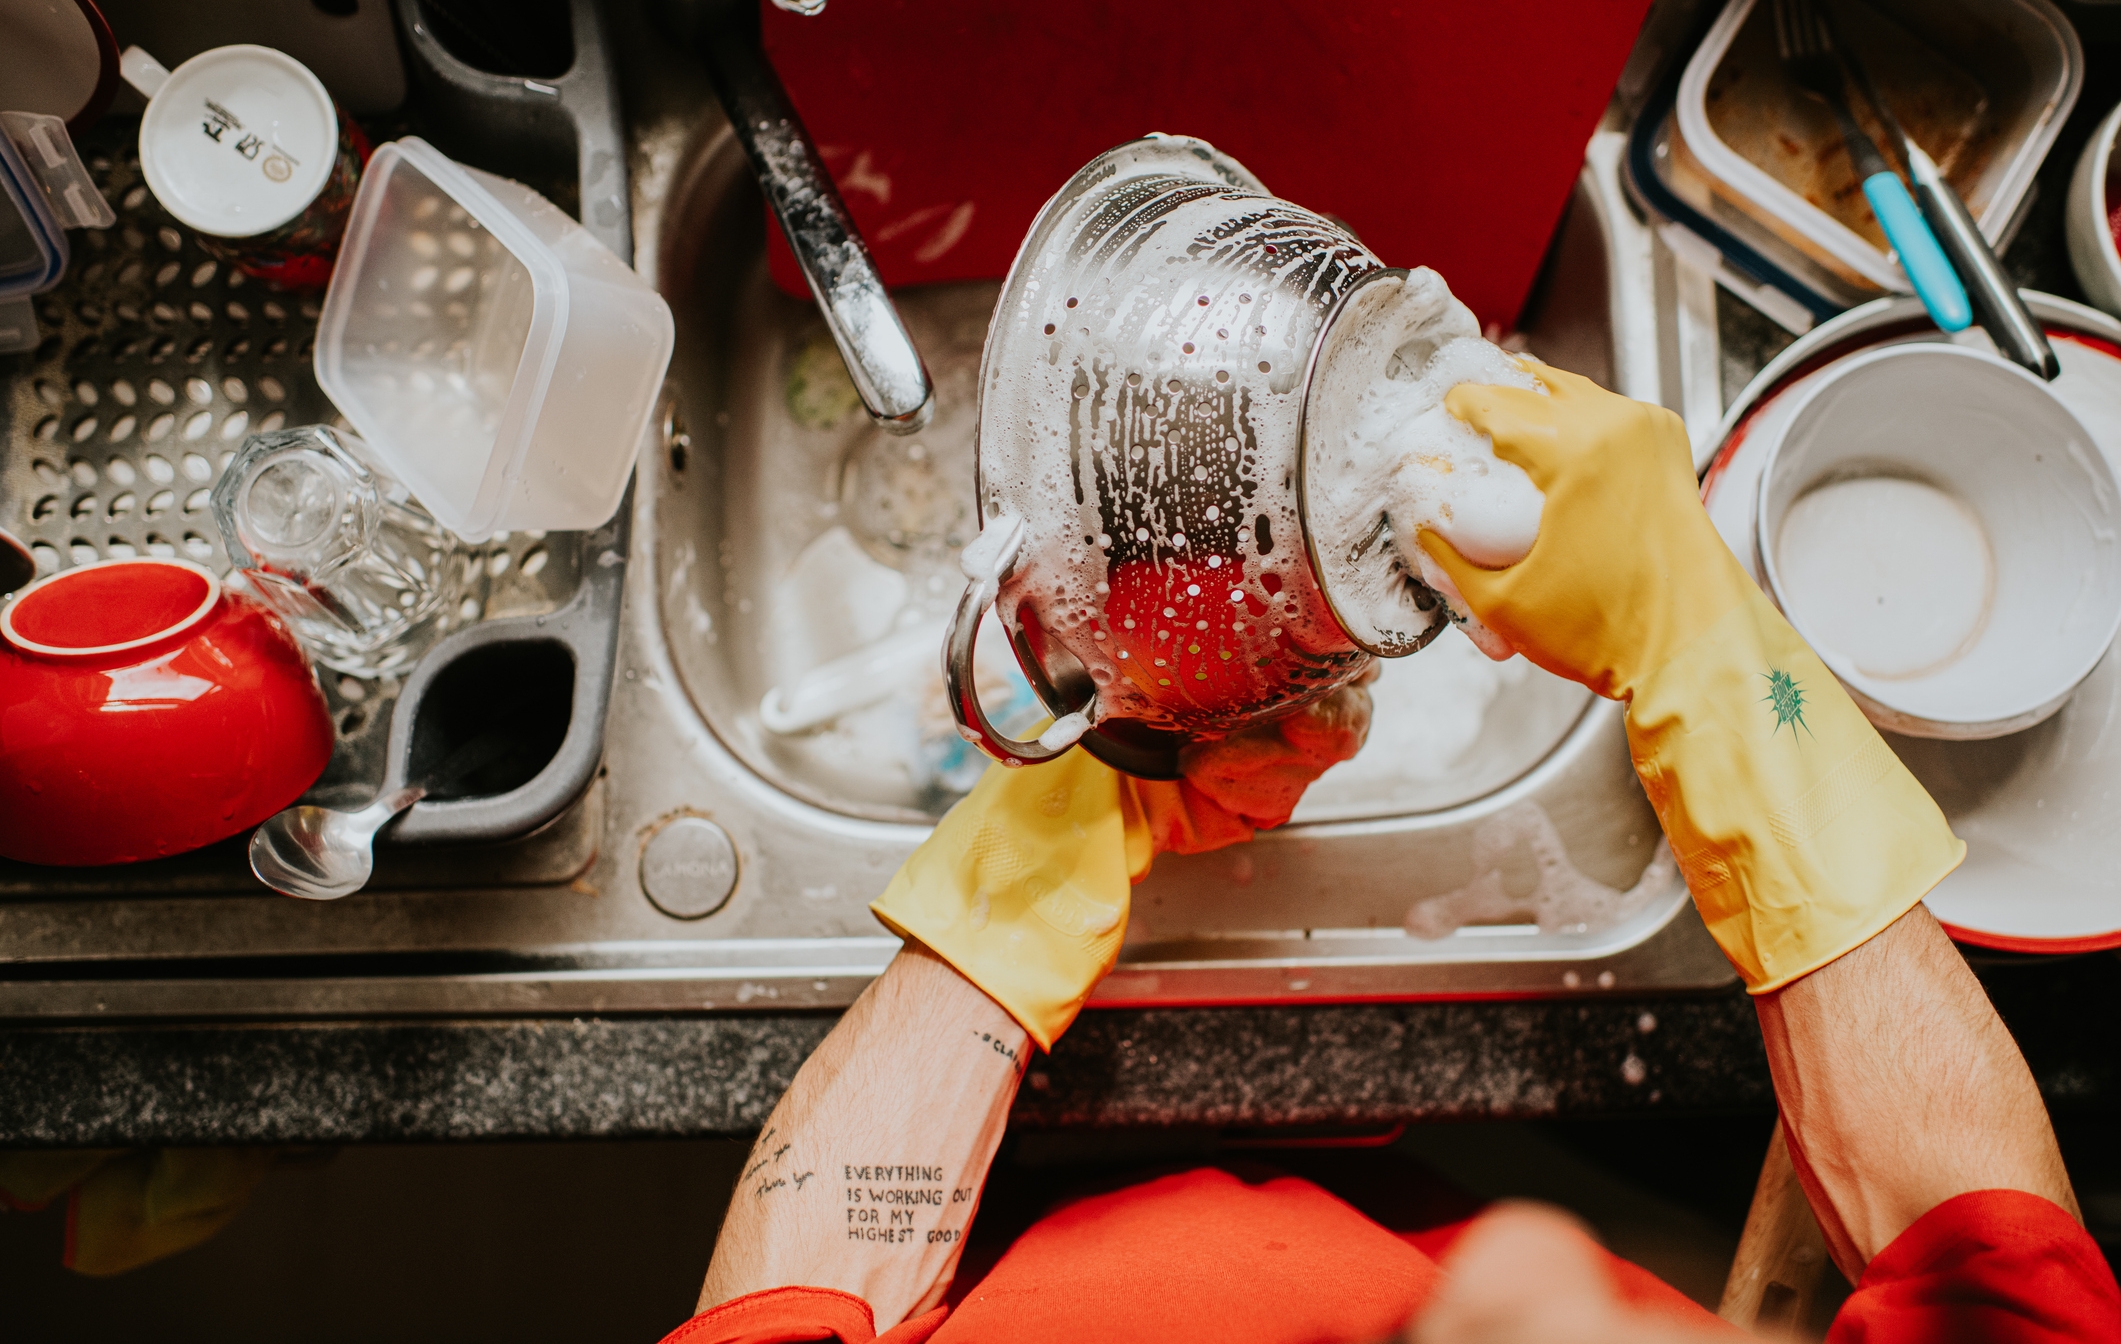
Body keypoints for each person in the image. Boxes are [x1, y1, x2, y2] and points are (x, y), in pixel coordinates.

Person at [655, 363, 2121, 1343]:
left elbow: (797, 1307)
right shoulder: (1519, 1271)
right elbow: (1987, 1261)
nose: (1537, 1254)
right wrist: (1698, 643)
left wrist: (1049, 842)